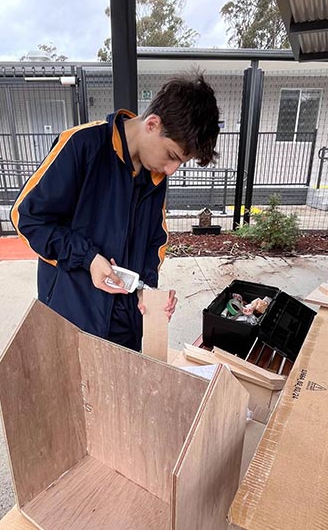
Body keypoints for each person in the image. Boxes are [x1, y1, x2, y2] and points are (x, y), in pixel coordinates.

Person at [12, 72, 222, 350]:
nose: (172, 170)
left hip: (125, 326)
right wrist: (88, 258)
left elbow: (153, 243)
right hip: (71, 317)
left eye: (180, 163)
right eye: (172, 156)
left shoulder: (154, 175)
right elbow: (27, 218)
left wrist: (146, 290)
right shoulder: (82, 145)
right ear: (152, 124)